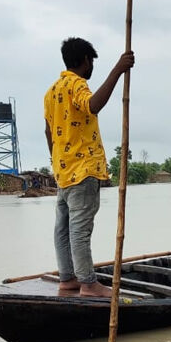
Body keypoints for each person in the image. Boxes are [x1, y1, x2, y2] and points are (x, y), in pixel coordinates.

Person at [44, 37, 134, 297]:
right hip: (83, 170)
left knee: (62, 228)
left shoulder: (52, 92)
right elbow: (93, 105)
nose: (92, 66)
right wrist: (118, 70)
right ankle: (88, 283)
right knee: (79, 231)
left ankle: (67, 278)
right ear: (85, 60)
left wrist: (57, 164)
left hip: (63, 172)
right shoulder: (76, 84)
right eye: (91, 61)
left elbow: (48, 132)